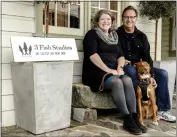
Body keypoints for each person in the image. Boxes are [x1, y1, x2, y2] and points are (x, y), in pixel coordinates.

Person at [82, 9, 147, 135]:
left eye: (108, 19)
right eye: (102, 19)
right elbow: (93, 56)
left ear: (112, 22)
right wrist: (109, 70)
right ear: (97, 22)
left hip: (113, 71)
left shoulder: (114, 36)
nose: (105, 21)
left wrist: (120, 68)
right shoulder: (92, 34)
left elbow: (121, 56)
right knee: (117, 82)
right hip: (95, 72)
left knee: (127, 79)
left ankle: (134, 116)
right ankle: (127, 119)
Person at [116, 5, 176, 123]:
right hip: (125, 67)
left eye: (132, 17)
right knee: (132, 71)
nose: (129, 20)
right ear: (122, 18)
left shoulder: (142, 36)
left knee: (163, 74)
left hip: (142, 68)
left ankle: (162, 110)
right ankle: (136, 110)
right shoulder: (117, 34)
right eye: (126, 17)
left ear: (136, 18)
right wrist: (122, 61)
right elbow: (114, 52)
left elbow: (148, 58)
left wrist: (152, 75)